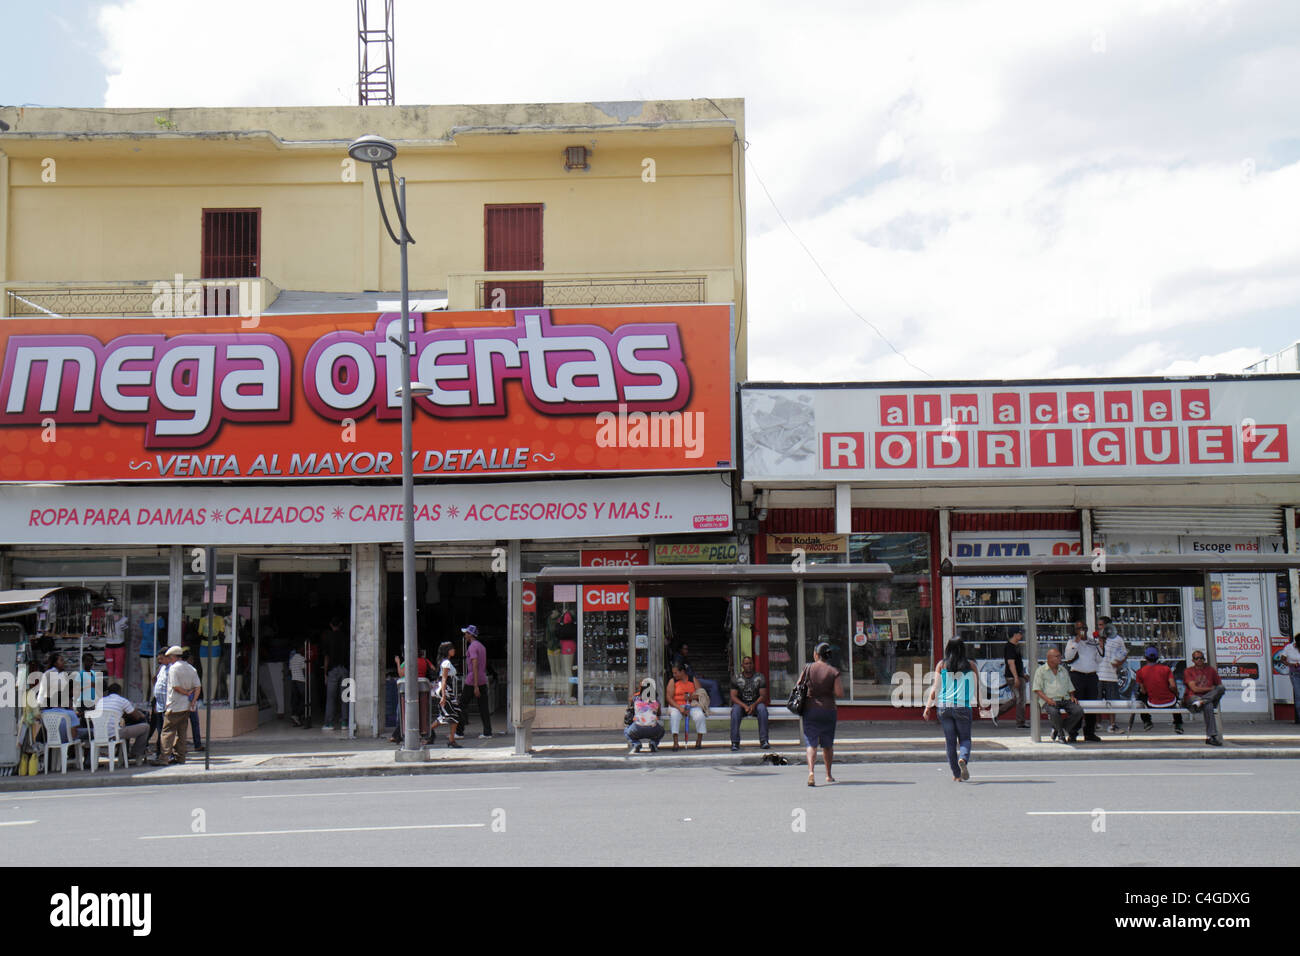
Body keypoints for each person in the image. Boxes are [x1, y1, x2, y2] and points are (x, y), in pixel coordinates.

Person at [924, 638, 978, 781]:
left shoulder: (941, 665)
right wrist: (982, 704)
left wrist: (928, 707)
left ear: (948, 649)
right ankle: (963, 759)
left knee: (950, 742)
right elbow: (978, 687)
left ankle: (956, 774)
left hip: (944, 707)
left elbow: (935, 688)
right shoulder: (971, 665)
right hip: (962, 706)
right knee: (965, 739)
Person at [801, 642, 842, 786]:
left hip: (810, 709)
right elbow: (839, 693)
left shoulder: (808, 668)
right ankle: (828, 775)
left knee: (811, 743)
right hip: (828, 710)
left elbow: (799, 685)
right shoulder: (833, 671)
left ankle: (811, 772)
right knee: (827, 744)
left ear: (816, 654)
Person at [154, 644, 200, 766]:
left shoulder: (174, 669)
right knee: (182, 732)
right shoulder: (191, 668)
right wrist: (193, 700)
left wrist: (186, 693)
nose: (169, 659)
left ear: (174, 657)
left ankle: (164, 758)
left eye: (170, 657)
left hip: (174, 705)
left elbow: (175, 686)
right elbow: (198, 687)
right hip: (186, 706)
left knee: (167, 732)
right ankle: (181, 757)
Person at [1032, 646, 1083, 743]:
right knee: (1054, 713)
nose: (1060, 658)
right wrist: (1048, 700)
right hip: (1049, 700)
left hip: (1065, 698)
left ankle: (1058, 728)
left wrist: (1072, 696)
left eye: (1060, 656)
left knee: (1078, 711)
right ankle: (1060, 734)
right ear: (1049, 658)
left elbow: (1070, 686)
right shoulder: (1041, 671)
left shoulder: (1063, 670)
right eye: (1057, 656)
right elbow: (1037, 689)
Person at [92, 683, 150, 765]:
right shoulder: (122, 700)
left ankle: (123, 756)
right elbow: (136, 716)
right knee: (146, 727)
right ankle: (136, 753)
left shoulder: (100, 701)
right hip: (114, 734)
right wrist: (141, 714)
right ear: (120, 692)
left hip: (99, 734)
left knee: (122, 729)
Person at [1063, 621, 1103, 742]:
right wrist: (1077, 641)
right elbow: (1069, 657)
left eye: (1083, 628)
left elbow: (1099, 659)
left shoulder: (1093, 642)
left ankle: (1090, 732)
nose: (1082, 630)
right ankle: (1073, 733)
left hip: (1091, 676)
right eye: (1079, 628)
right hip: (1077, 676)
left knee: (1092, 705)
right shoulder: (1071, 642)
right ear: (1075, 630)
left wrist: (1101, 646)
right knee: (1076, 706)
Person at [1133, 646, 1183, 734]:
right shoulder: (1166, 669)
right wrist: (1176, 694)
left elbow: (1143, 691)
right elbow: (1173, 686)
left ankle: (1147, 721)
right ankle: (1178, 724)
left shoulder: (1140, 672)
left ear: (1145, 658)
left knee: (1140, 697)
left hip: (1153, 703)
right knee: (1176, 698)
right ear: (1157, 657)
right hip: (1170, 702)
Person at [1181, 650, 1225, 746]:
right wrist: (1210, 689)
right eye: (1197, 658)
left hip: (1204, 700)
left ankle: (1211, 737)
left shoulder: (1211, 670)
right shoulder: (1188, 671)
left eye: (1201, 658)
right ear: (1193, 660)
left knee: (1221, 688)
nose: (1200, 660)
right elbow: (1194, 689)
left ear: (1204, 659)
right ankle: (1212, 736)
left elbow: (1219, 686)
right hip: (1193, 698)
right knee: (1208, 705)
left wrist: (1210, 694)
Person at [457, 625, 492, 739]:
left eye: (466, 633)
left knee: (461, 704)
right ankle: (487, 732)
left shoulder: (472, 647)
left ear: (470, 634)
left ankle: (459, 731)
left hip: (473, 680)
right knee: (483, 707)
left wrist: (475, 685)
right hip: (482, 678)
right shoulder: (482, 647)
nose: (465, 635)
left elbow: (475, 664)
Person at [729, 656, 769, 750]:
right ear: (742, 665)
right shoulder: (736, 678)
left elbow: (763, 695)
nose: (749, 665)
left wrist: (753, 705)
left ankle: (764, 741)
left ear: (753, 665)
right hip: (741, 704)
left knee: (762, 709)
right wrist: (745, 706)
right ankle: (735, 742)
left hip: (756, 703)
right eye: (746, 663)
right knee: (735, 711)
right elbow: (733, 696)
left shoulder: (760, 677)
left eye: (750, 663)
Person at [1096, 618, 1128, 734]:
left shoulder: (1118, 639)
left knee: (1112, 702)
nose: (1099, 627)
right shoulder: (1095, 638)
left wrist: (1119, 663)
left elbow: (1124, 653)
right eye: (1098, 625)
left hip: (1111, 675)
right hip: (1098, 674)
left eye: (1101, 625)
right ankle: (1097, 724)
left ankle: (1112, 725)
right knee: (1097, 701)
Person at [665, 663, 706, 750]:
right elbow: (669, 698)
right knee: (674, 716)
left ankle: (699, 741)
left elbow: (701, 694)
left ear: (682, 672)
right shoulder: (672, 681)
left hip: (692, 705)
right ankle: (675, 743)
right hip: (676, 706)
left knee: (700, 716)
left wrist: (691, 697)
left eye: (676, 673)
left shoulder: (692, 680)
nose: (674, 675)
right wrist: (680, 708)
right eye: (673, 673)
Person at [321, 616, 349, 732]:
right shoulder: (345, 637)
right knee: (345, 697)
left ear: (331, 625)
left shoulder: (327, 637)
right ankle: (344, 722)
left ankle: (329, 723)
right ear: (340, 624)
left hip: (333, 669)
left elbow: (326, 657)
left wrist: (325, 673)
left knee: (331, 698)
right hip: (345, 669)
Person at [624, 678, 665, 753]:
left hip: (637, 729)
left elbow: (630, 699)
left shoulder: (636, 699)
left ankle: (636, 744)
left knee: (626, 730)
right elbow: (659, 713)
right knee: (661, 730)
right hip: (653, 729)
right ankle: (653, 743)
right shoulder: (656, 701)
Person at [434, 641, 462, 749]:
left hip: (447, 690)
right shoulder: (446, 663)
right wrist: (444, 696)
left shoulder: (446, 662)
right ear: (447, 651)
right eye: (452, 649)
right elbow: (444, 679)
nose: (454, 650)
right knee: (450, 715)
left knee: (451, 715)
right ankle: (426, 732)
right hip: (446, 690)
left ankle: (451, 739)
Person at [147, 648, 174, 757]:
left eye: (162, 658)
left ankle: (166, 753)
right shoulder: (162, 668)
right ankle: (160, 752)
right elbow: (154, 679)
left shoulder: (172, 669)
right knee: (159, 729)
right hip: (158, 704)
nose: (160, 660)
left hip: (167, 705)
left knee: (166, 730)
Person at [1003, 630, 1028, 729]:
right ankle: (1020, 722)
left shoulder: (1015, 647)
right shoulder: (1010, 647)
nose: (1021, 636)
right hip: (1013, 676)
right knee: (1020, 699)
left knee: (1016, 699)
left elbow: (1017, 663)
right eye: (1020, 634)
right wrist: (1016, 677)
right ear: (1015, 634)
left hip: (1017, 675)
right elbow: (1011, 663)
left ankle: (996, 713)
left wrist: (1022, 674)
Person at [1280, 634, 1300, 725]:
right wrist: (1291, 664)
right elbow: (1282, 659)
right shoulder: (1289, 648)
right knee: (1298, 695)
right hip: (1295, 673)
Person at [288, 644, 306, 727]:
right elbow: (304, 670)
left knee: (295, 699)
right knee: (303, 699)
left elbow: (290, 669)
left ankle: (295, 715)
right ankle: (298, 715)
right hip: (301, 681)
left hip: (293, 681)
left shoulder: (292, 659)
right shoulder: (302, 659)